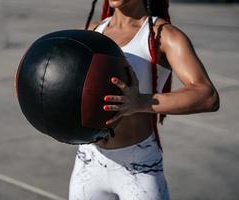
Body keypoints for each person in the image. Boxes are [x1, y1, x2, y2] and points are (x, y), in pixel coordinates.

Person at [69, 0, 220, 199]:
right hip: (88, 159)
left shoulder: (163, 36)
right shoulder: (91, 31)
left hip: (139, 165)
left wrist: (140, 102)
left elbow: (207, 95)